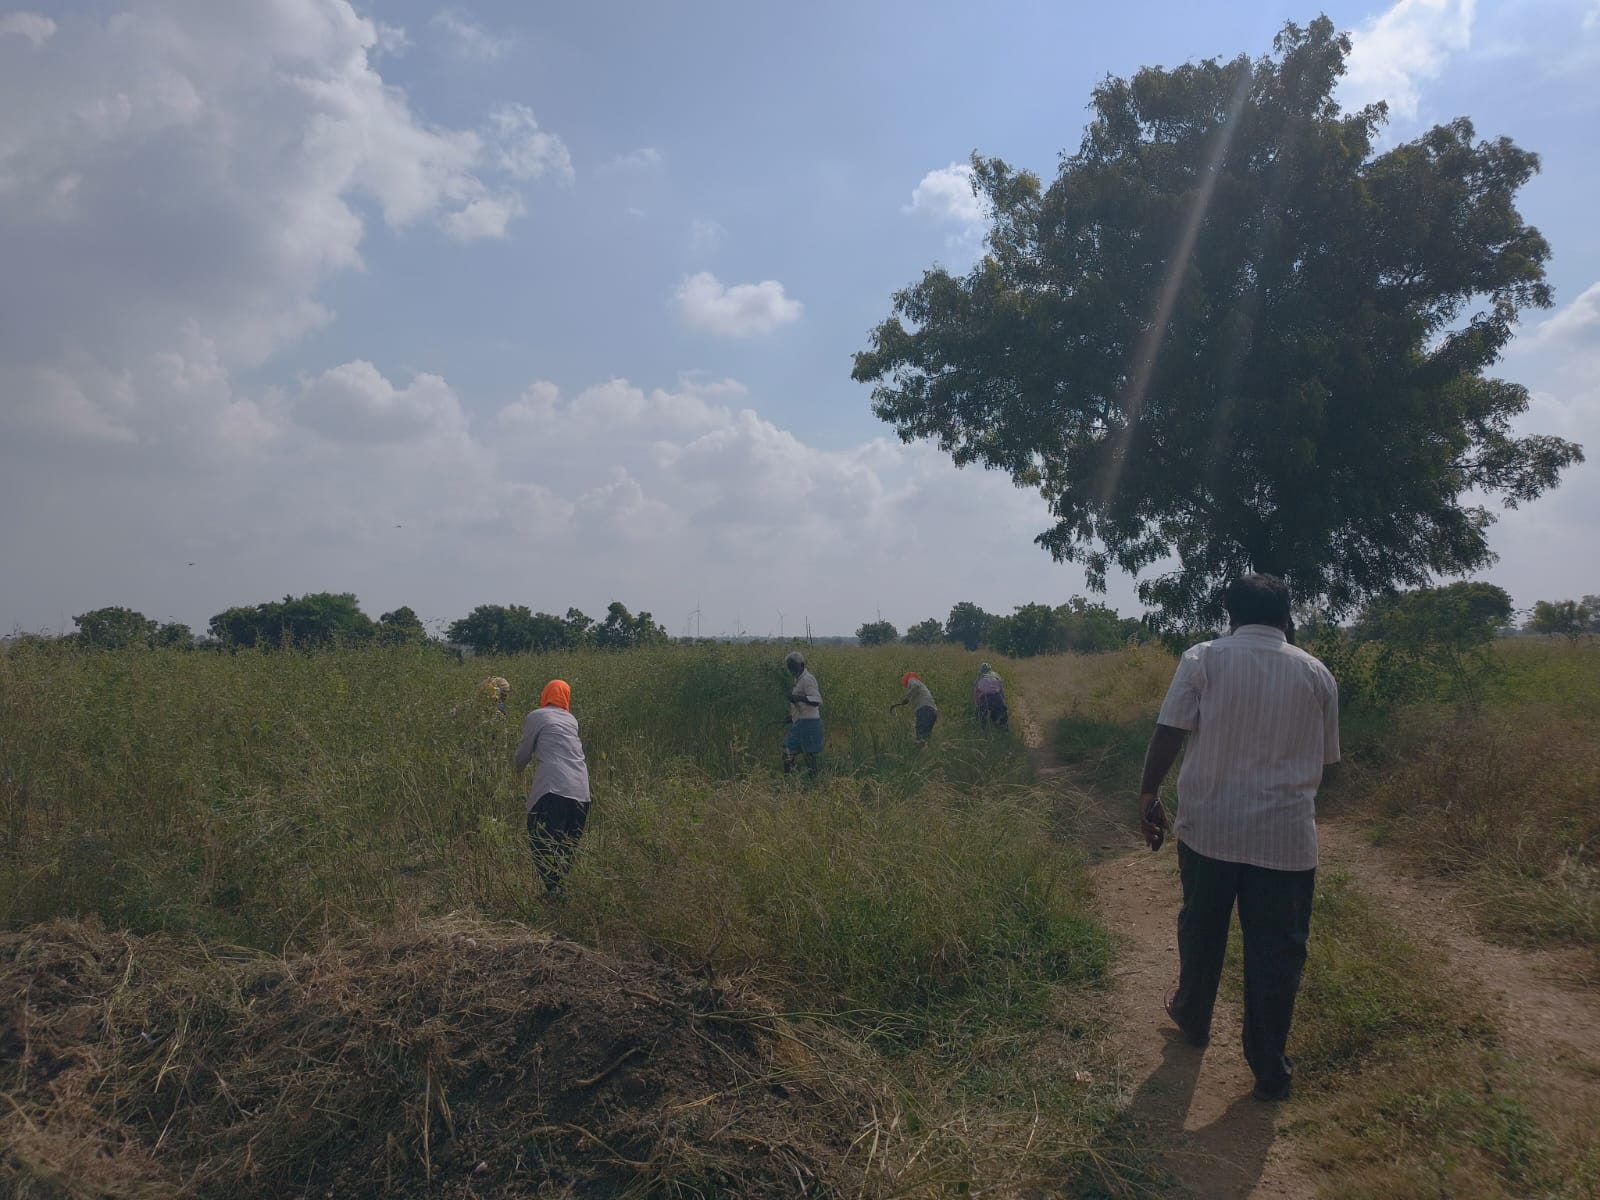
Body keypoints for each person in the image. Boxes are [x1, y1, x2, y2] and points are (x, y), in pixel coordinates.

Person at [1138, 573, 1339, 1102]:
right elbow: (1324, 760)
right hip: (1287, 841)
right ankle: (1270, 1065)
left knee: (1202, 927)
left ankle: (1193, 1015)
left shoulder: (1203, 659)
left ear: (1231, 614)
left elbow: (1169, 731)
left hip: (1210, 829)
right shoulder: (1316, 673)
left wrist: (1147, 794)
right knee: (1278, 951)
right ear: (1285, 616)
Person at [514, 679, 592, 893]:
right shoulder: (571, 720)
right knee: (566, 847)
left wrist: (512, 769)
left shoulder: (537, 716)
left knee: (541, 840)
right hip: (582, 792)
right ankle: (560, 894)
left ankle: (554, 893)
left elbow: (522, 756)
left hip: (554, 788)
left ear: (546, 695)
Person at [782, 650, 823, 776]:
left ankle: (790, 781)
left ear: (802, 665)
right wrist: (792, 717)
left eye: (794, 668)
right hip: (805, 721)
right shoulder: (800, 679)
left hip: (807, 723)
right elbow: (805, 706)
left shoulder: (807, 680)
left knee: (788, 751)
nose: (792, 671)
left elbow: (817, 700)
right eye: (790, 669)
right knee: (809, 756)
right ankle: (811, 783)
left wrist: (799, 698)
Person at [889, 671, 938, 747]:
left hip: (925, 710)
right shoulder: (921, 686)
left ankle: (915, 753)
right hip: (932, 712)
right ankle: (927, 756)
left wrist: (907, 698)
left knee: (920, 738)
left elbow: (915, 686)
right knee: (926, 739)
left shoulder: (912, 680)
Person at [974, 663, 1008, 729]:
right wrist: (1002, 702)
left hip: (985, 699)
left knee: (980, 716)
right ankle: (1004, 728)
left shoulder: (978, 679)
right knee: (1003, 713)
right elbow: (1001, 691)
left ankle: (983, 730)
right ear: (990, 669)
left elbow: (976, 695)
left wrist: (978, 706)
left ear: (980, 671)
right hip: (997, 697)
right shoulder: (996, 676)